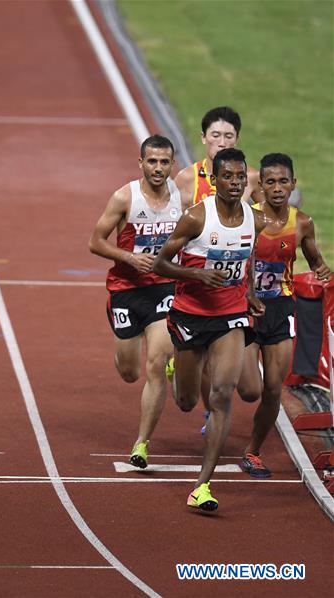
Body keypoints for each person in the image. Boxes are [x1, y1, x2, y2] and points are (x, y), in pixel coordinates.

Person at [153, 147, 267, 511]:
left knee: (221, 394)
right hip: (190, 314)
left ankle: (202, 485)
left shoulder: (255, 219)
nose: (235, 183)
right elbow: (160, 264)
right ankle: (178, 369)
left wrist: (248, 294)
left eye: (240, 176)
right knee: (186, 402)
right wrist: (197, 273)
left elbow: (248, 259)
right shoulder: (195, 219)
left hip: (231, 316)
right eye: (227, 177)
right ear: (214, 180)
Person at [234, 153, 330, 478]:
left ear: (293, 184)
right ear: (260, 185)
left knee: (274, 388)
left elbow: (314, 258)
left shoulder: (302, 222)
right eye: (270, 182)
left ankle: (253, 452)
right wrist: (247, 295)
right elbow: (237, 263)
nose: (277, 188)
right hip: (247, 310)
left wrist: (322, 270)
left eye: (283, 182)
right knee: (249, 389)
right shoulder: (248, 218)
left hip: (281, 309)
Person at [88, 134, 180, 469]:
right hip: (126, 290)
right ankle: (144, 348)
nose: (158, 168)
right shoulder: (124, 197)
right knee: (129, 372)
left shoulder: (180, 198)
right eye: (152, 161)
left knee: (156, 364)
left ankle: (141, 443)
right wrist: (128, 257)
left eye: (164, 162)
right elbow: (95, 242)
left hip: (164, 289)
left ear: (172, 164)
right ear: (141, 163)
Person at [174, 106, 264, 207]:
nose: (222, 143)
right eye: (216, 136)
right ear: (203, 137)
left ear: (237, 140)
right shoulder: (186, 179)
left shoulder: (252, 177)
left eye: (228, 136)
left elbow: (272, 217)